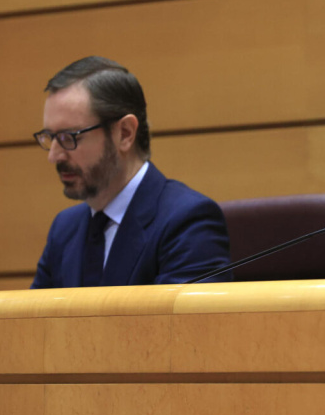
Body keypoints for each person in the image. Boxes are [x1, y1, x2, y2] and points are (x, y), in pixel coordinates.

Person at [31, 56, 232, 288]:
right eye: (50, 137)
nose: (54, 156)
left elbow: (182, 314)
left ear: (125, 133)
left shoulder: (187, 222)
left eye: (69, 137)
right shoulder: (64, 228)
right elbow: (34, 312)